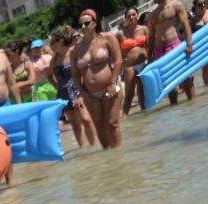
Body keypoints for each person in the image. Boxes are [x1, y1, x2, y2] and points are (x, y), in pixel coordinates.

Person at [72, 9, 124, 150]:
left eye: (86, 23)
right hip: (90, 94)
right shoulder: (76, 49)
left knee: (112, 123)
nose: (83, 27)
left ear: (94, 23)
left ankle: (118, 153)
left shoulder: (107, 38)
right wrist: (81, 94)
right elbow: (75, 74)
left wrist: (113, 82)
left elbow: (118, 60)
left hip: (110, 87)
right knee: (99, 126)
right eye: (80, 25)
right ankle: (108, 156)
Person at [50, 26, 98, 148]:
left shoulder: (74, 52)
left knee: (86, 119)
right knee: (75, 125)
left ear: (61, 42)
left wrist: (84, 88)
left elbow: (83, 70)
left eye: (53, 42)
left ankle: (94, 146)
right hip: (63, 93)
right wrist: (57, 86)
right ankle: (84, 150)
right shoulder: (54, 59)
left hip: (77, 90)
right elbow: (49, 75)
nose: (50, 45)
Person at [148, 0, 196, 104]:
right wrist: (149, 57)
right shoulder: (152, 15)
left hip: (174, 45)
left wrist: (189, 44)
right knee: (169, 85)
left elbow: (185, 24)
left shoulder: (176, 6)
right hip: (159, 51)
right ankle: (174, 110)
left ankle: (194, 106)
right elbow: (151, 37)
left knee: (186, 79)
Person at [119, 7, 150, 115]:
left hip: (143, 63)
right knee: (129, 93)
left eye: (133, 15)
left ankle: (144, 113)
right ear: (126, 18)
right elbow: (116, 50)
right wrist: (121, 62)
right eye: (129, 16)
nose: (131, 17)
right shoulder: (121, 33)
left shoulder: (144, 29)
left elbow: (149, 46)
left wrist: (149, 58)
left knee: (143, 91)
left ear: (137, 15)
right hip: (129, 66)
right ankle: (124, 115)